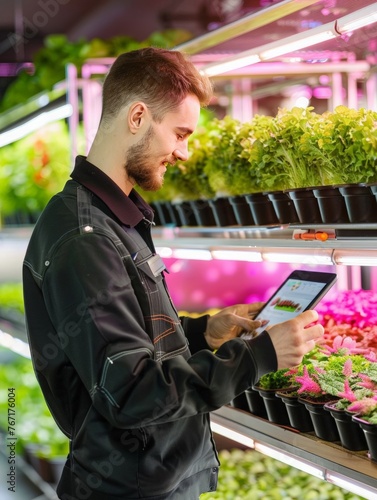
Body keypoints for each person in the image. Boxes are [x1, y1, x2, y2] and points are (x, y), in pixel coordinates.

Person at [22, 47, 324, 500]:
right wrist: (259, 356)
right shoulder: (86, 239)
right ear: (138, 116)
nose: (183, 153)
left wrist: (203, 333)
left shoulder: (109, 219)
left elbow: (124, 339)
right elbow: (133, 392)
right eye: (180, 133)